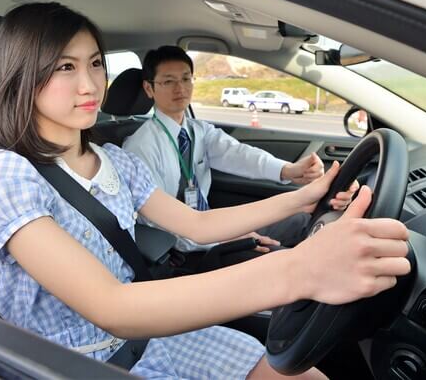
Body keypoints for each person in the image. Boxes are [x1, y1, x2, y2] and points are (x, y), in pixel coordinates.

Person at [0, 2, 411, 379]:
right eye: (65, 67)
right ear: (21, 77)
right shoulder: (1, 175)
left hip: (152, 335)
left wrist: (301, 197)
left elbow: (197, 223)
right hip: (72, 363)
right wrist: (301, 269)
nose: (90, 84)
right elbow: (111, 306)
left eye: (96, 62)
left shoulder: (116, 161)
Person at [123, 45, 356, 258]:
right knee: (280, 254)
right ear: (149, 88)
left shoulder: (197, 130)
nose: (180, 88)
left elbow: (238, 154)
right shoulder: (140, 148)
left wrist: (288, 170)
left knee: (304, 220)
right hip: (185, 250)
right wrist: (228, 238)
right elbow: (160, 225)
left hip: (213, 226)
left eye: (186, 78)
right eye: (169, 81)